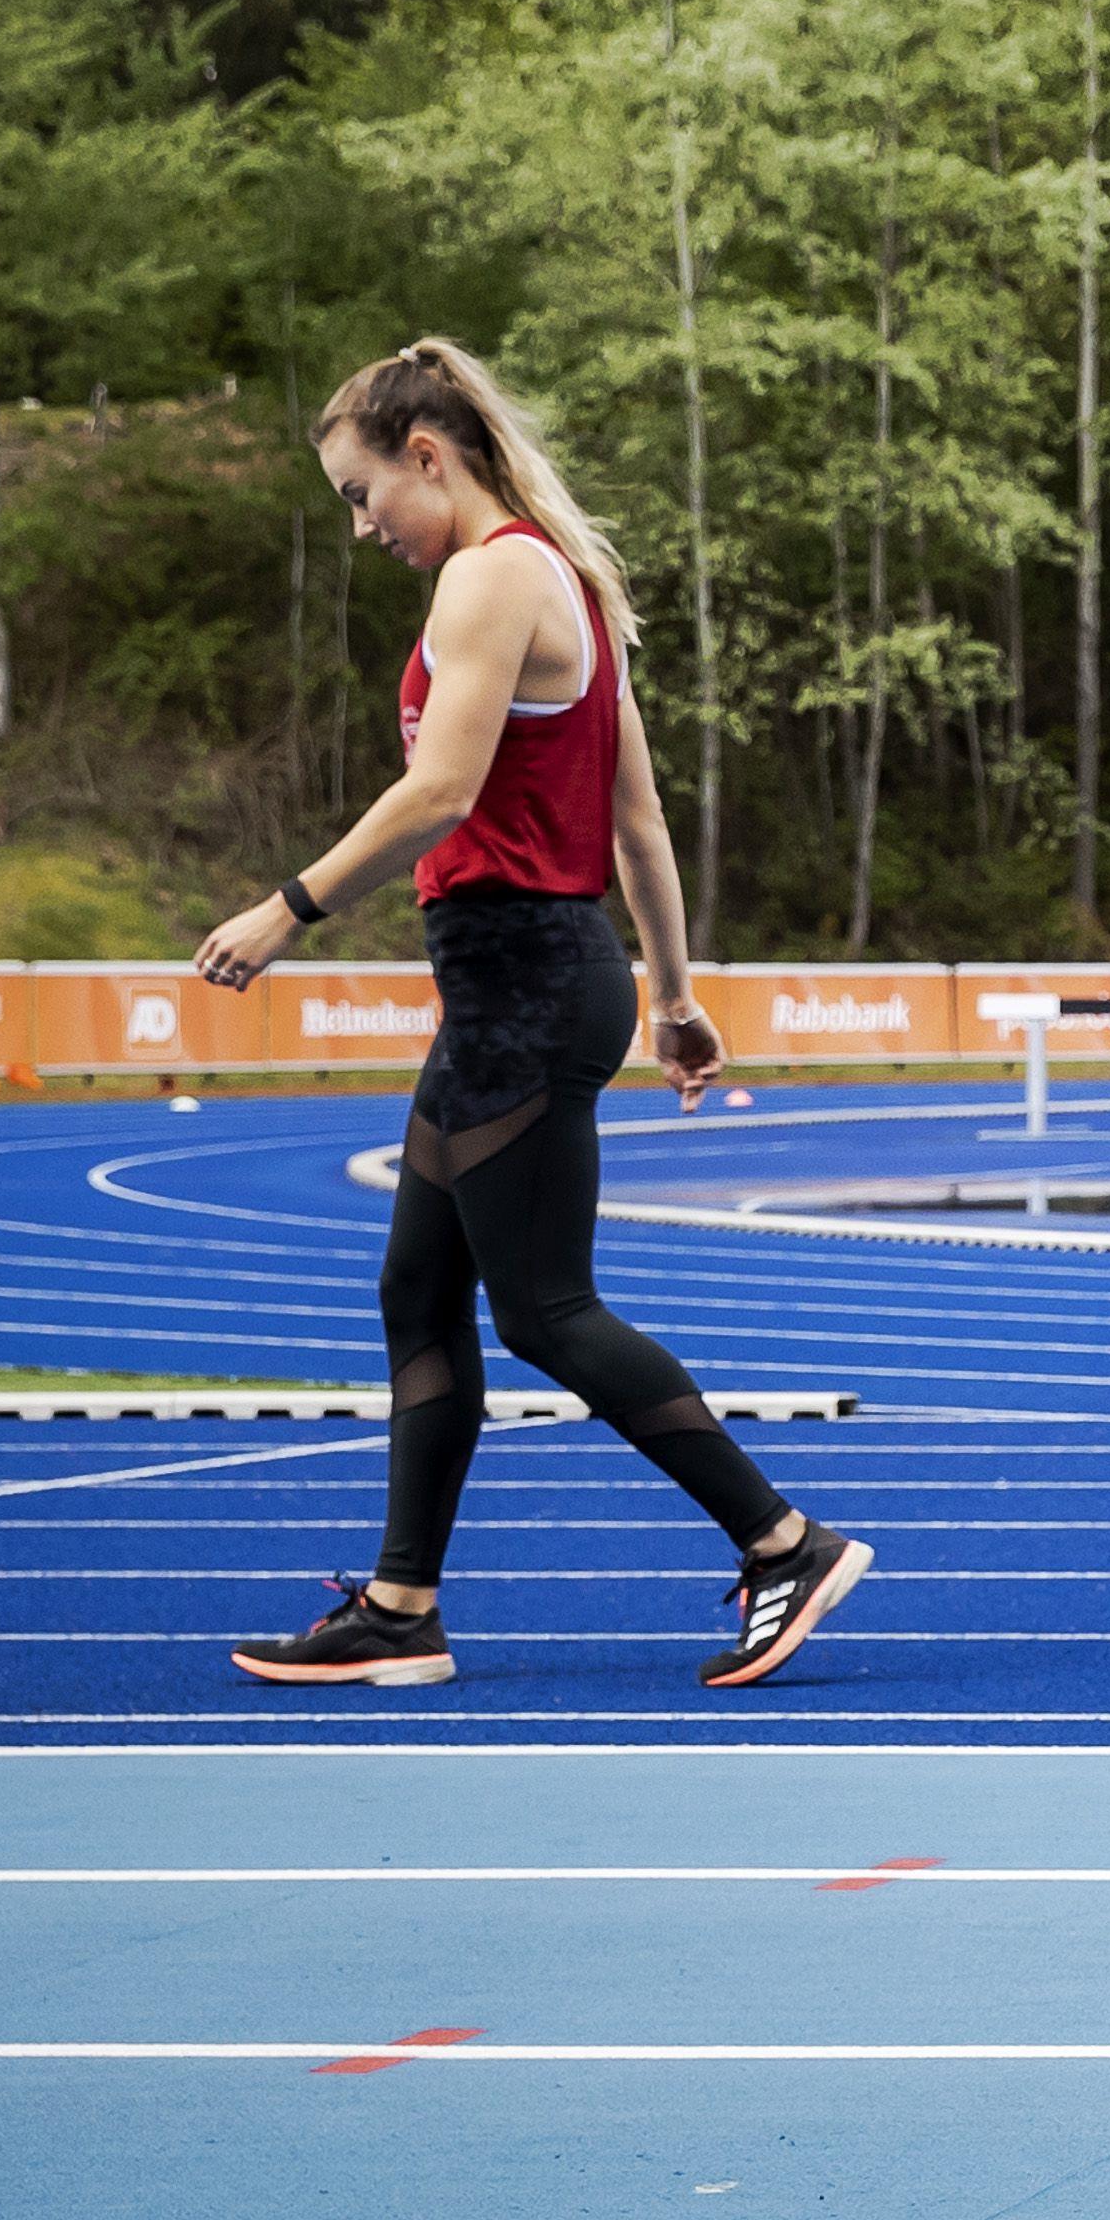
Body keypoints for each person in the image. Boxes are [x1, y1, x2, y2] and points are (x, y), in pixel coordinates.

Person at [200, 340, 875, 1694]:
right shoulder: (568, 580)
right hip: (539, 973)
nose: (361, 523)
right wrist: (675, 993)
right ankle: (402, 1603)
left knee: (548, 1307)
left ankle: (783, 1538)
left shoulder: (493, 576)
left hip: (521, 978)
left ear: (428, 456)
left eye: (360, 489)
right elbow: (636, 818)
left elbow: (444, 788)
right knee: (420, 1286)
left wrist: (290, 906)